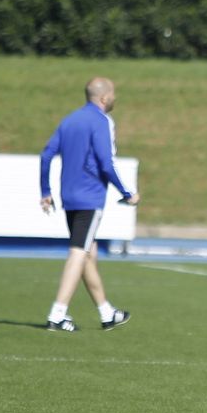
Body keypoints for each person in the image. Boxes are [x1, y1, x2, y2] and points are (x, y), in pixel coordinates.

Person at [38, 77, 138, 331]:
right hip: (89, 197)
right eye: (113, 94)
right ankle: (58, 314)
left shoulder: (69, 120)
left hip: (69, 197)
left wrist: (46, 191)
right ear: (104, 98)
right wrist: (128, 192)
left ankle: (107, 313)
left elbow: (47, 154)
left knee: (87, 252)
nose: (115, 98)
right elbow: (107, 163)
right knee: (79, 253)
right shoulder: (102, 121)